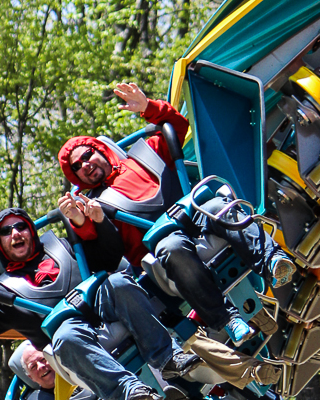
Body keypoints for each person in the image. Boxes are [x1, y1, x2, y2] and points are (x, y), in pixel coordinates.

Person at [58, 82, 296, 346]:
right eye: (77, 166)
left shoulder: (142, 156)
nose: (86, 165)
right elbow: (102, 250)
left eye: (87, 155)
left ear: (99, 149)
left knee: (219, 206)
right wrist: (81, 222)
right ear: (76, 176)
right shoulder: (94, 206)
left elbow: (177, 125)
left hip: (193, 218)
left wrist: (147, 107)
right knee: (172, 246)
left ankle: (273, 261)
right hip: (160, 250)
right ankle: (227, 319)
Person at [0, 207, 200, 400]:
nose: (15, 233)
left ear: (31, 230)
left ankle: (168, 357)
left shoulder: (63, 247)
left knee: (118, 281)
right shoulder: (1, 292)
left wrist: (97, 223)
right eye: (6, 231)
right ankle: (130, 393)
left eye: (20, 226)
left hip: (103, 308)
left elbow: (109, 255)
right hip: (69, 345)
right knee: (64, 333)